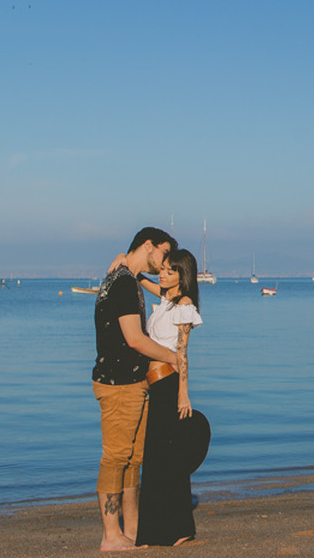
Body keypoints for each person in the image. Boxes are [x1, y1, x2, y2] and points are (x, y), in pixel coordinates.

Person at [93, 226, 179, 551]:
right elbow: (135, 339)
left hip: (130, 382)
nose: (165, 260)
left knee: (132, 458)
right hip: (117, 383)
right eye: (164, 252)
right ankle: (110, 535)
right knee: (116, 457)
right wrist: (173, 356)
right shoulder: (123, 283)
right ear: (148, 245)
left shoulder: (124, 277)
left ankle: (131, 530)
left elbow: (166, 295)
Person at [134, 248, 205, 546]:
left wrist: (183, 394)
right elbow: (140, 279)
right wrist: (127, 264)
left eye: (169, 271)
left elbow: (182, 353)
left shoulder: (184, 305)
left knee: (168, 460)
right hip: (155, 386)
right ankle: (156, 530)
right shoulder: (165, 301)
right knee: (155, 460)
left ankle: (180, 529)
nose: (161, 274)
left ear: (182, 276)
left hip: (169, 386)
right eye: (161, 269)